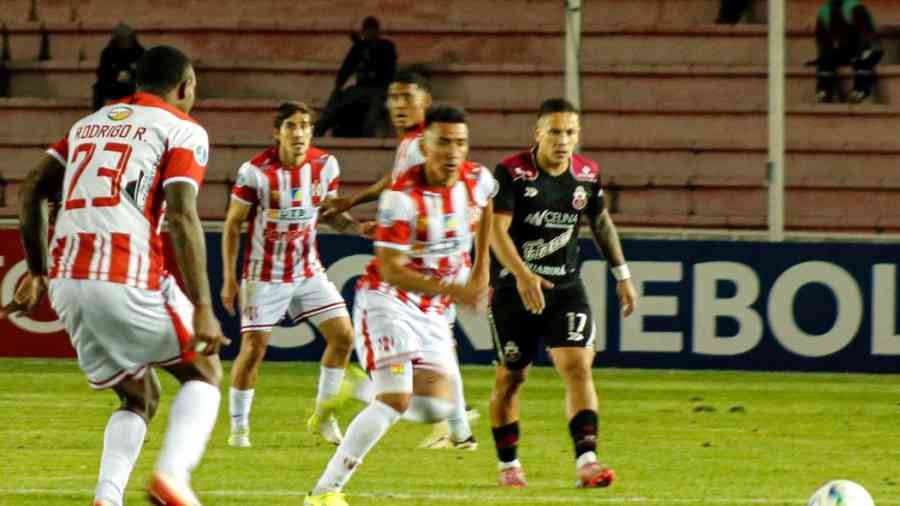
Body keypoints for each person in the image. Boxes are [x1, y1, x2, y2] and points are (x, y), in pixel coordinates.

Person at [2, 45, 228, 506]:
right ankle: (172, 479)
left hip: (68, 282)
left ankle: (107, 498)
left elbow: (30, 191)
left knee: (138, 397)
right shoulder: (183, 129)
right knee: (203, 372)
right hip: (126, 271)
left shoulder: (89, 125)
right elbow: (183, 215)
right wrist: (203, 307)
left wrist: (38, 272)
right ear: (185, 87)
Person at [304, 106, 496, 506]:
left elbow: (489, 203)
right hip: (387, 302)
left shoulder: (477, 179)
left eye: (460, 142)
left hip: (431, 308)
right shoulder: (402, 196)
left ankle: (359, 390)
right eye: (443, 142)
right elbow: (391, 270)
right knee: (396, 400)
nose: (452, 151)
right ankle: (325, 492)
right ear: (425, 146)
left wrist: (480, 272)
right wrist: (458, 291)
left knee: (434, 407)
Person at [321, 72, 479, 450]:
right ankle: (456, 431)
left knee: (440, 348)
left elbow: (411, 192)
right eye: (393, 98)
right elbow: (397, 186)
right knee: (440, 349)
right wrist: (361, 208)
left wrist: (362, 210)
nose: (397, 105)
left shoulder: (425, 142)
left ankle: (453, 430)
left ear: (425, 101)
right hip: (438, 264)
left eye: (407, 97)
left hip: (437, 260)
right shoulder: (416, 143)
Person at [487, 98, 637, 489]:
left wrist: (621, 274)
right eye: (554, 131)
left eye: (570, 132)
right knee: (512, 378)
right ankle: (508, 465)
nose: (563, 140)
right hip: (512, 288)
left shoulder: (587, 175)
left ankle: (587, 460)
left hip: (565, 287)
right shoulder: (511, 173)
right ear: (537, 134)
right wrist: (522, 276)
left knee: (578, 367)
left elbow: (600, 223)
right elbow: (494, 232)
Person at [221, 101, 370, 448]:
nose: (299, 132)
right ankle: (239, 428)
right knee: (254, 349)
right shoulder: (255, 172)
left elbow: (329, 215)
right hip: (264, 275)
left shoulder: (325, 165)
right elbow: (232, 225)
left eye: (305, 125)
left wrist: (360, 229)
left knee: (343, 337)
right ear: (277, 132)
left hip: (307, 269)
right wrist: (230, 278)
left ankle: (323, 417)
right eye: (291, 125)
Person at [313, 16, 397, 138]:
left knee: (373, 114)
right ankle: (318, 129)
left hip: (380, 87)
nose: (369, 33)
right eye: (367, 30)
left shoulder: (386, 46)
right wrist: (338, 87)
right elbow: (346, 68)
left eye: (372, 30)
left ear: (377, 31)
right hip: (361, 87)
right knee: (338, 103)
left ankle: (368, 136)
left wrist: (370, 53)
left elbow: (389, 69)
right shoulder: (359, 47)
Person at [813, 0, 883, 103]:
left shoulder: (855, 7)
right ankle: (823, 90)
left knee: (863, 59)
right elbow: (823, 42)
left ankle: (860, 90)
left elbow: (866, 36)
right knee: (827, 59)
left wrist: (859, 55)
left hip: (868, 47)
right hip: (846, 49)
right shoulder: (824, 12)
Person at [93, 22, 145, 110]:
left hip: (133, 85)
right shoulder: (108, 53)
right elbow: (101, 72)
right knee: (98, 87)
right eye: (122, 39)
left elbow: (145, 73)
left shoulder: (140, 52)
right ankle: (96, 114)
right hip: (114, 84)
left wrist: (131, 76)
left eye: (127, 39)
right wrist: (116, 76)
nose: (125, 42)